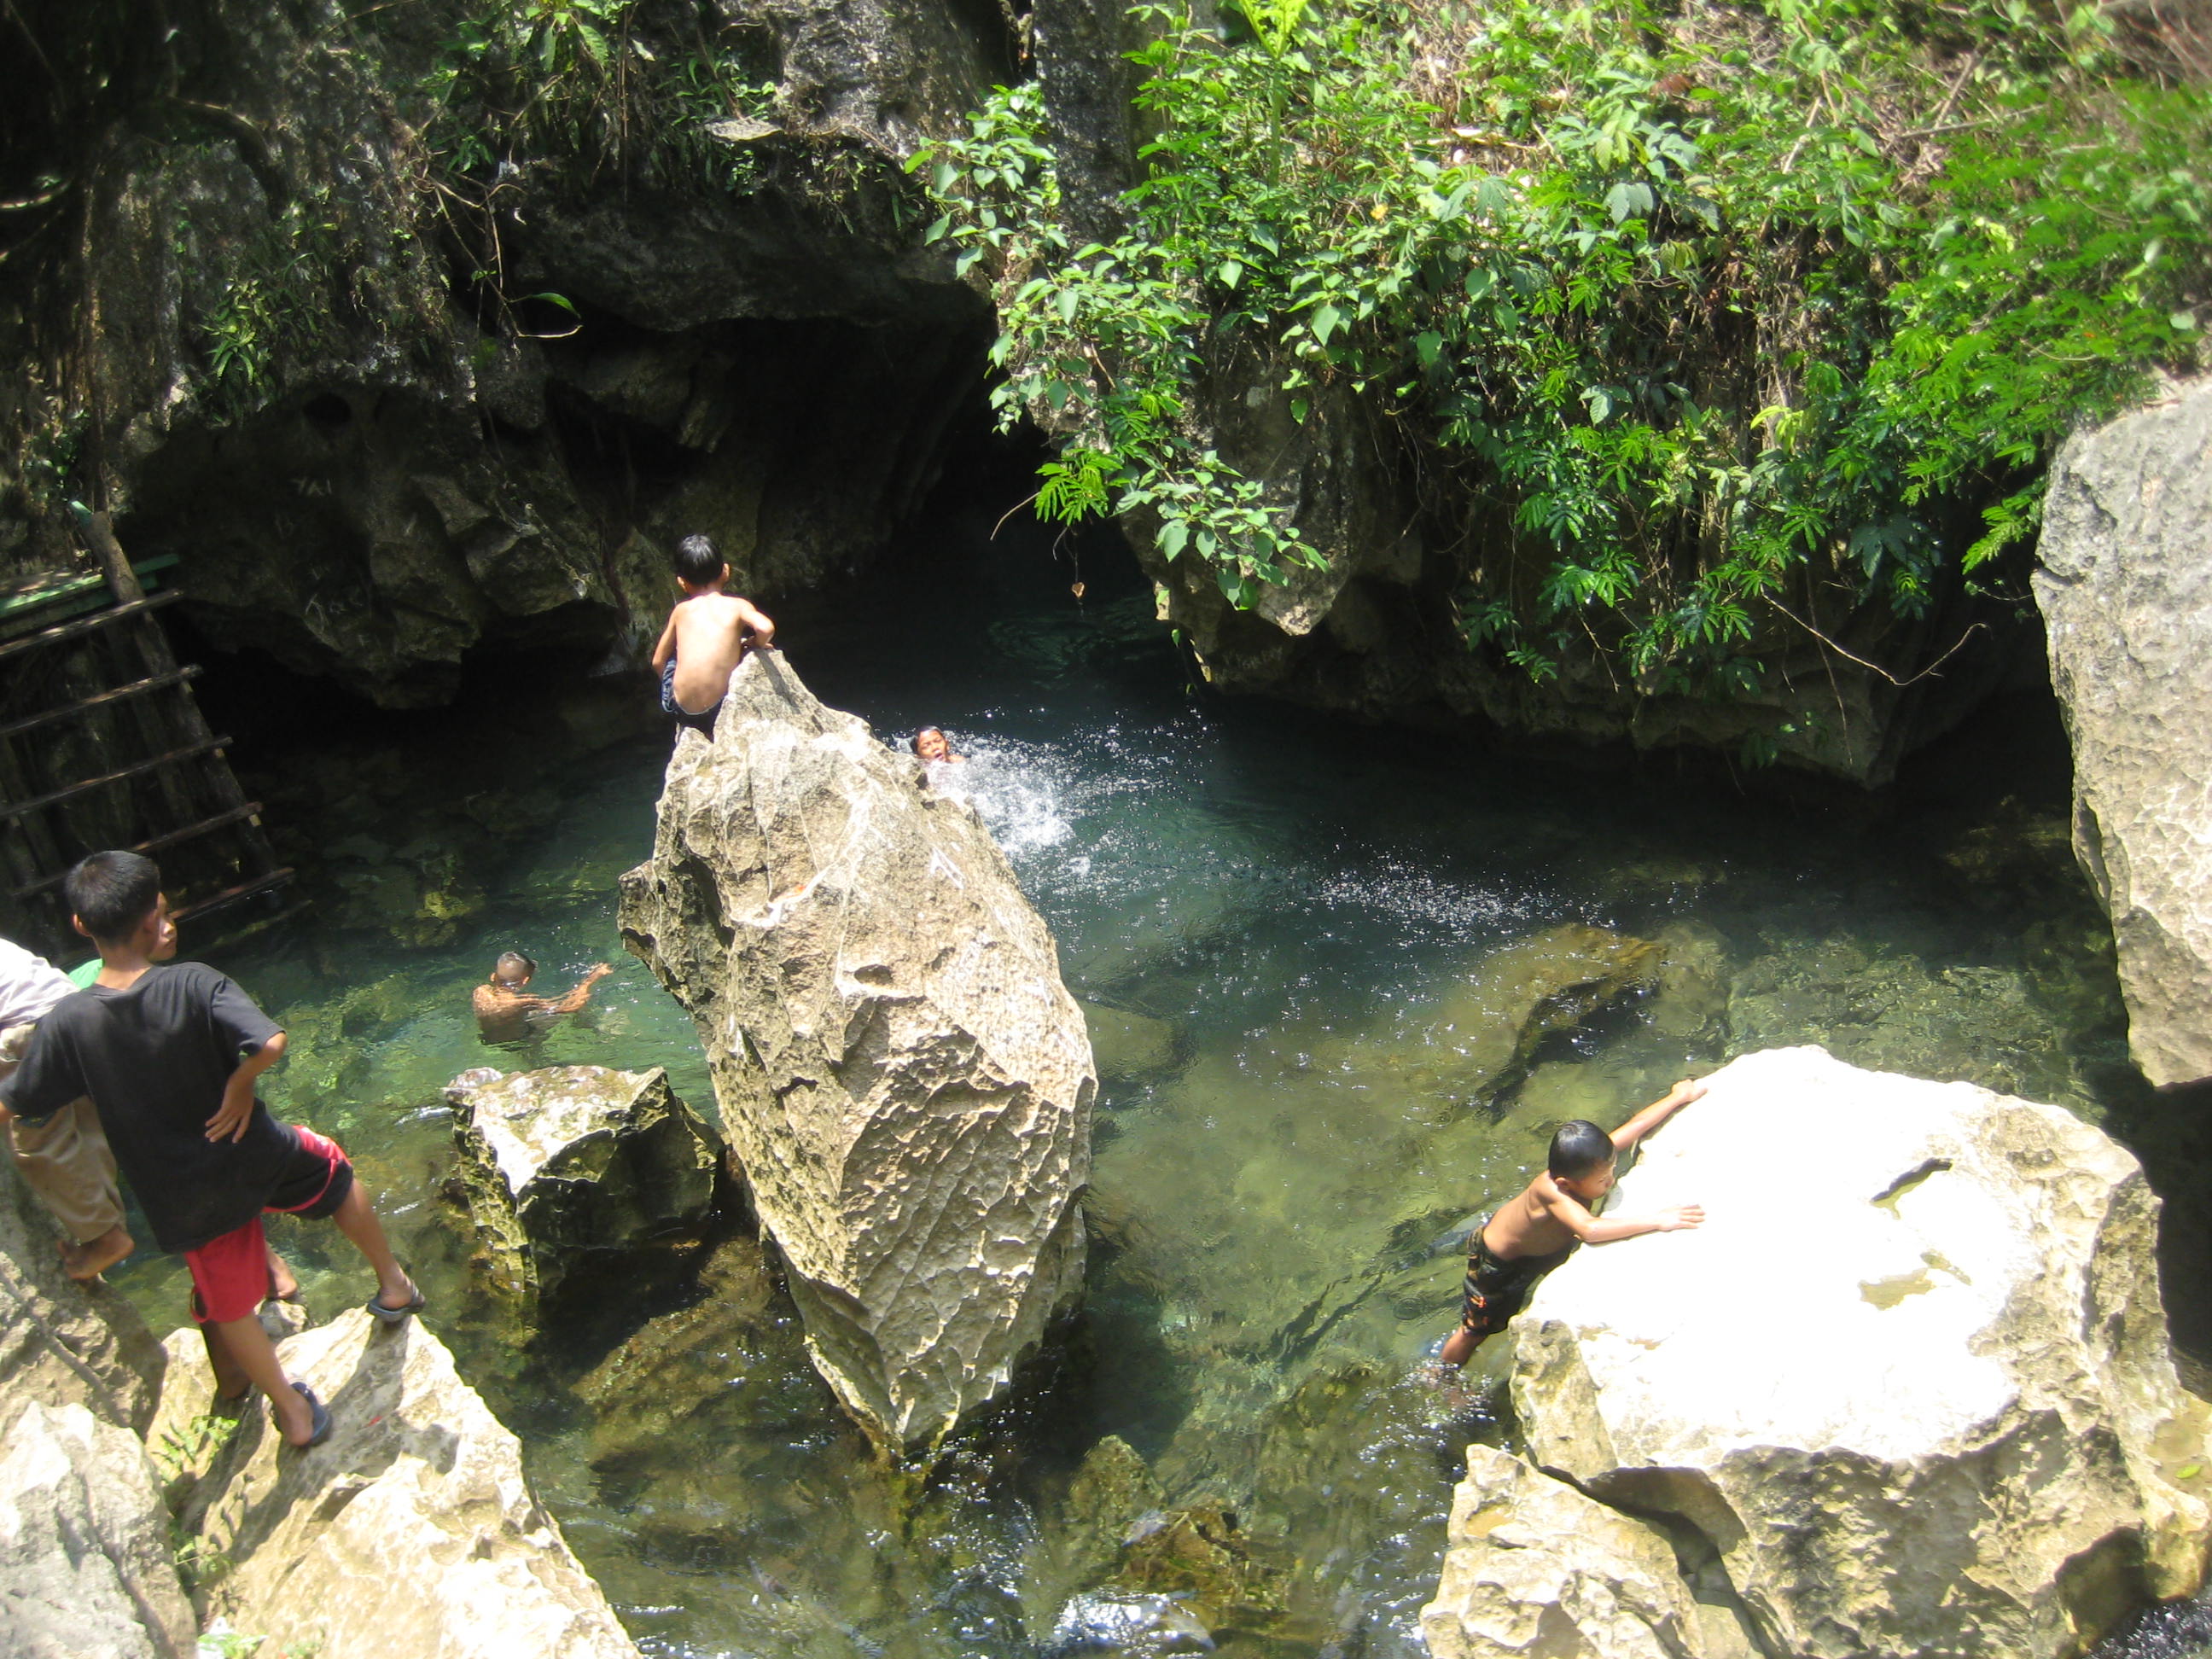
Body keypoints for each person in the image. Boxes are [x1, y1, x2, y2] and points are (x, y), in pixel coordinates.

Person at [0, 852, 422, 1449]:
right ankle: (394, 1285)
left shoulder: (68, 1022)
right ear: (154, 919)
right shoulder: (196, 981)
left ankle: (294, 1415)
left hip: (180, 1195)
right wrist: (240, 1085)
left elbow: (18, 1100)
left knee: (229, 1307)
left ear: (80, 926)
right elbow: (271, 1040)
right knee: (334, 1170)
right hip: (253, 1152)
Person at [1439, 1078, 1706, 1368]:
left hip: (1547, 1247)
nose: (1612, 1180)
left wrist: (1678, 1097)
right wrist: (1657, 1219)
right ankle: (1443, 1376)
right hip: (1500, 1264)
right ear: (1567, 1184)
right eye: (1604, 1180)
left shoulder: (1588, 1165)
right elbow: (1589, 1230)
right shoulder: (1552, 1192)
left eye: (1612, 1171)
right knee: (1477, 1328)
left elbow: (1636, 1126)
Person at [0, 934, 133, 1279]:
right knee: (85, 1126)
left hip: (23, 1029)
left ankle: (106, 1238)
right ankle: (106, 1232)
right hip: (72, 1010)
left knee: (37, 1142)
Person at [649, 533, 775, 736]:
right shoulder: (738, 606)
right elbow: (766, 628)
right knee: (737, 649)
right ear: (726, 571)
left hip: (684, 710)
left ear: (682, 582)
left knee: (675, 659)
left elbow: (658, 662)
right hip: (720, 707)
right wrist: (753, 643)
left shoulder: (681, 610)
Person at [472, 952, 613, 1045]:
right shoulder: (523, 1002)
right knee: (571, 1012)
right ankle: (595, 1030)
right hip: (520, 1042)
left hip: (488, 1039)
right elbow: (570, 1007)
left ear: (493, 976)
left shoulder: (480, 992)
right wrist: (591, 980)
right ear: (525, 981)